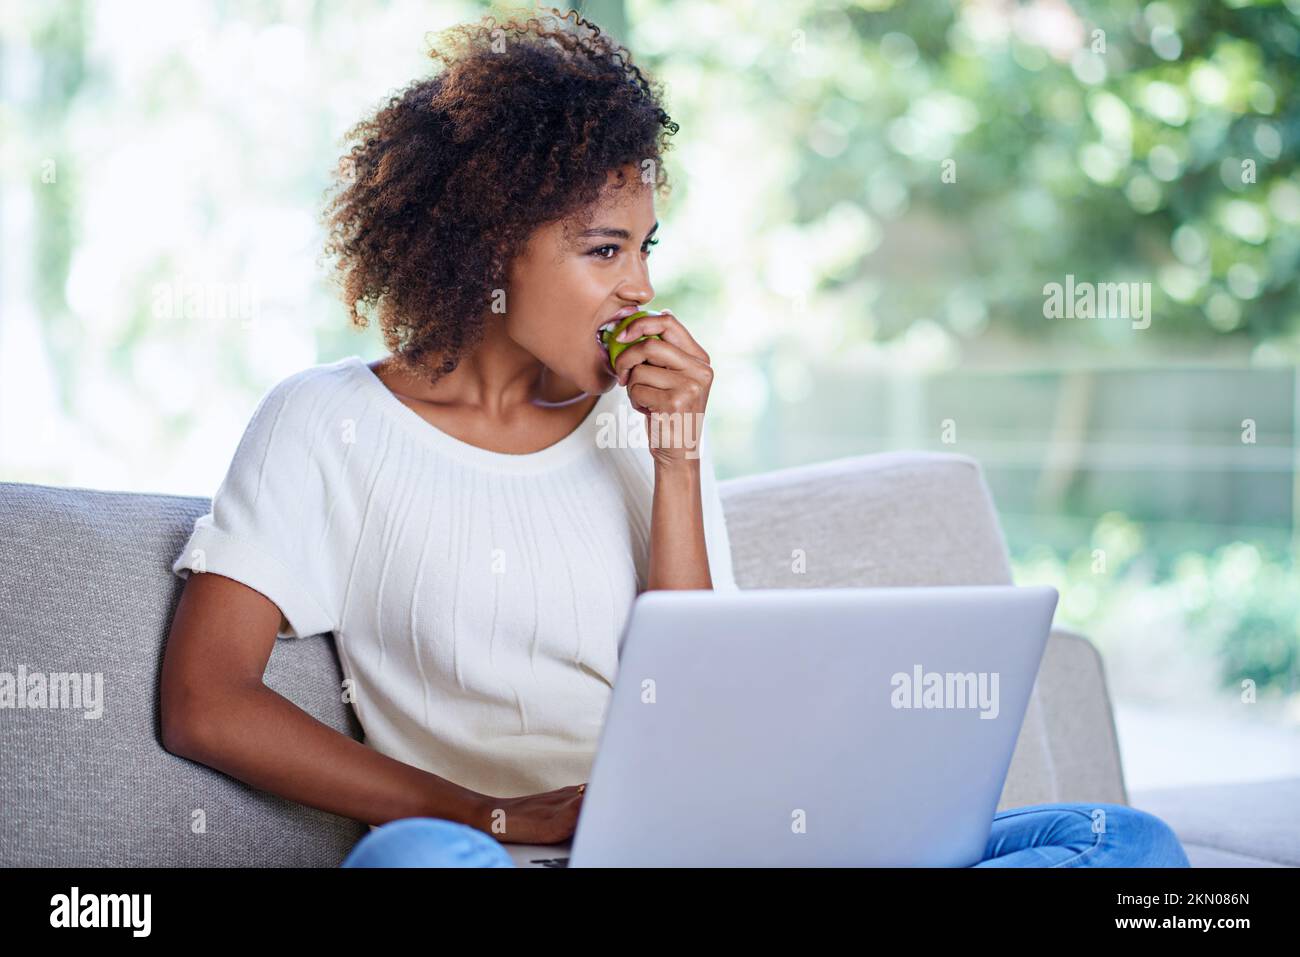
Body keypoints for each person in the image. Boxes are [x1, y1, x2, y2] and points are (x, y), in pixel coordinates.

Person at [163, 7, 1189, 870]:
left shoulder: (641, 426)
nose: (640, 287)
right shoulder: (325, 424)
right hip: (498, 854)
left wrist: (678, 459)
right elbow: (206, 700)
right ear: (483, 248)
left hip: (707, 848)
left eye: (643, 247)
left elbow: (700, 701)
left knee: (1121, 846)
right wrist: (490, 814)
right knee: (414, 863)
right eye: (602, 249)